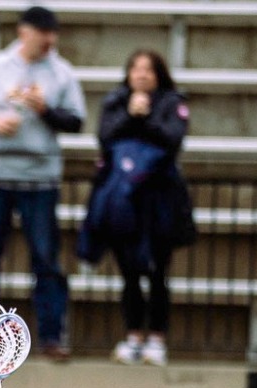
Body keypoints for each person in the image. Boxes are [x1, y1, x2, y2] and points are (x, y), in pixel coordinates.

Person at [0, 5, 84, 368]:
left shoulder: (61, 72)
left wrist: (45, 110)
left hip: (40, 179)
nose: (50, 40)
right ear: (24, 32)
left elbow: (76, 121)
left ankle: (51, 336)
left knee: (46, 259)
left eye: (53, 33)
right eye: (43, 32)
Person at [86, 50, 193, 367]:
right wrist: (130, 115)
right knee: (129, 272)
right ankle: (133, 335)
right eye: (136, 68)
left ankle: (157, 339)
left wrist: (146, 118)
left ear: (159, 74)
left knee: (158, 272)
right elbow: (104, 137)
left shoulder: (172, 102)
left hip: (160, 199)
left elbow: (174, 140)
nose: (142, 74)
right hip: (124, 200)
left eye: (148, 69)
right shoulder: (115, 101)